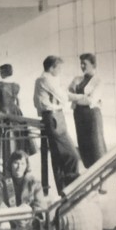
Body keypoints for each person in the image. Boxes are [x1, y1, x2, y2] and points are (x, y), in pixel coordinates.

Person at [34, 55, 82, 191]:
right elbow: (63, 96)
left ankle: (63, 190)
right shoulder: (45, 79)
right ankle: (72, 188)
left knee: (58, 158)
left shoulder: (42, 80)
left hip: (54, 117)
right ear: (51, 67)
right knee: (72, 155)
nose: (60, 71)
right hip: (54, 118)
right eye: (59, 68)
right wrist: (82, 97)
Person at [0, 63, 36, 162]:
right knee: (18, 134)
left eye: (1, 72)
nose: (0, 73)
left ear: (3, 72)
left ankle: (5, 156)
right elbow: (19, 100)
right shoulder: (16, 85)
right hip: (15, 111)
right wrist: (18, 110)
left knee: (4, 134)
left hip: (4, 111)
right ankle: (18, 155)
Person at [69, 53, 107, 169]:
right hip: (79, 116)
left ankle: (102, 183)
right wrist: (82, 97)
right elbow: (67, 94)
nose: (82, 66)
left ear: (93, 64)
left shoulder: (99, 81)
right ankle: (90, 178)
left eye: (84, 64)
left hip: (92, 117)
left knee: (96, 147)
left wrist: (75, 97)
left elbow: (91, 101)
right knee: (84, 148)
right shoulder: (77, 79)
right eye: (81, 64)